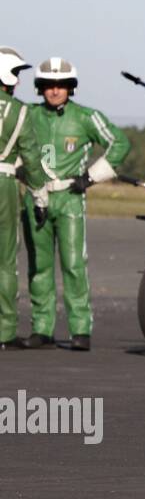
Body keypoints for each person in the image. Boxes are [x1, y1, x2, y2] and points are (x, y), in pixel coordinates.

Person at [20, 57, 131, 351]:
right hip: (35, 197)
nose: (55, 91)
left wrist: (91, 177)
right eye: (48, 86)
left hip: (70, 200)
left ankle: (80, 329)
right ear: (39, 88)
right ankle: (41, 329)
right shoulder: (27, 114)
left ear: (71, 88)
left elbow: (120, 143)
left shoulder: (86, 116)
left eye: (61, 85)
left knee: (73, 265)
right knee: (38, 267)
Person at [0, 48, 37, 351]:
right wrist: (40, 193)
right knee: (5, 261)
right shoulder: (20, 111)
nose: (18, 82)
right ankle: (5, 331)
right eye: (16, 74)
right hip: (5, 183)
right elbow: (32, 161)